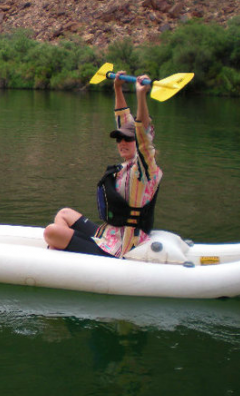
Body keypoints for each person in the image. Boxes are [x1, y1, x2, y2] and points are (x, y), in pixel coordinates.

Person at [44, 72, 163, 258]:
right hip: (108, 235)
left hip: (123, 246)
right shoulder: (126, 165)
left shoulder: (145, 169)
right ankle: (63, 251)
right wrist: (117, 88)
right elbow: (123, 119)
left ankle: (59, 251)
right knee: (64, 213)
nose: (122, 142)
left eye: (128, 139)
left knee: (51, 232)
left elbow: (143, 135)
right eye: (119, 139)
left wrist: (141, 96)